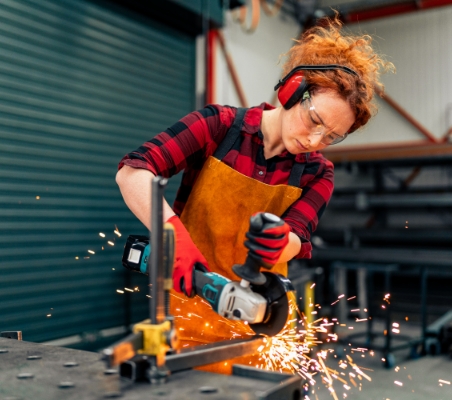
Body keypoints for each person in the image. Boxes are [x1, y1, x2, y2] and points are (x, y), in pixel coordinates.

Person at [116, 15, 394, 372]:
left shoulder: (317, 172)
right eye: (314, 121)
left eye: (331, 137)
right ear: (292, 89)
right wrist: (174, 237)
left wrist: (281, 242)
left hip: (262, 319)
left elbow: (298, 235)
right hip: (188, 311)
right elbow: (133, 173)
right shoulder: (218, 126)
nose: (314, 141)